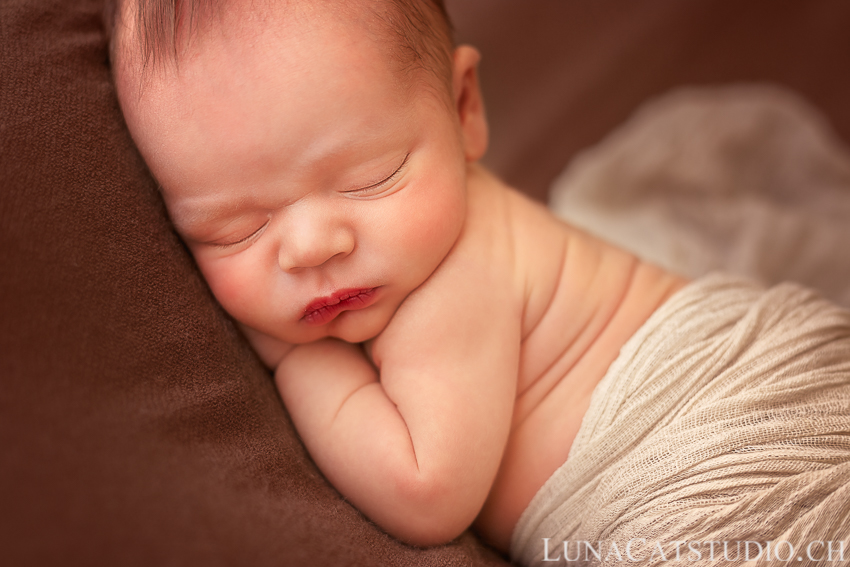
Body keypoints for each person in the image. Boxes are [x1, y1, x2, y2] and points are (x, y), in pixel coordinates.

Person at [108, 1, 850, 564]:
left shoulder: (454, 277)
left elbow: (426, 490)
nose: (310, 247)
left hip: (719, 441)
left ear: (465, 109)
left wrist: (295, 360)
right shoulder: (406, 244)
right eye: (232, 228)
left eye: (372, 177)